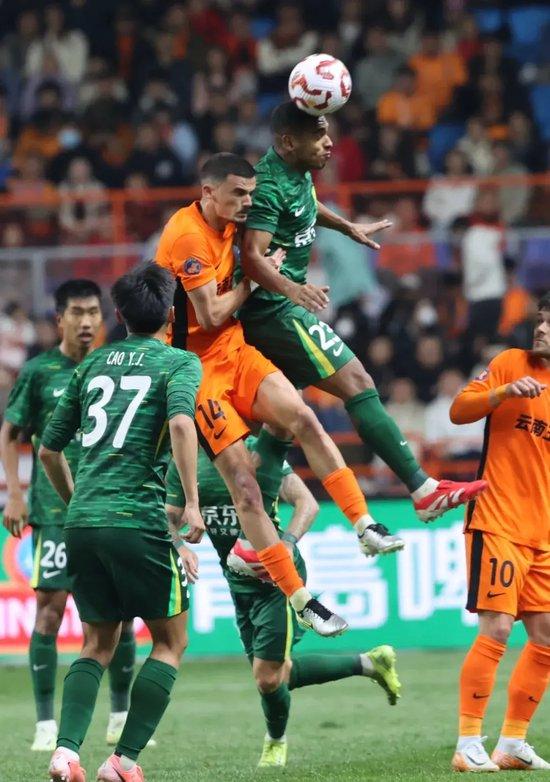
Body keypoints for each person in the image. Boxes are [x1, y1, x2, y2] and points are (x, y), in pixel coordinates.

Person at [156, 153, 405, 639]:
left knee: (303, 418)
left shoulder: (235, 221)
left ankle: (364, 525)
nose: (248, 202)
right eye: (238, 193)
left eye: (251, 193)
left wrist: (344, 227)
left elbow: (301, 204)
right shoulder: (187, 235)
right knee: (245, 486)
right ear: (208, 193)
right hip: (195, 370)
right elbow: (210, 315)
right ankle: (301, 599)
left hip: (235, 351)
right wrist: (255, 278)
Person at [239, 102, 486, 522]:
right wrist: (293, 289)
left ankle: (254, 534)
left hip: (281, 306)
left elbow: (304, 205)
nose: (329, 143)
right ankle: (422, 489)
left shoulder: (295, 170)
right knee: (357, 381)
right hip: (274, 310)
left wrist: (346, 226)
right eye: (319, 135)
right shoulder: (267, 187)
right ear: (288, 141)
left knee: (281, 422)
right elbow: (251, 256)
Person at [38, 264, 203, 782]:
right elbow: (181, 423)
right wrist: (192, 502)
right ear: (171, 314)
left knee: (96, 643)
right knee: (171, 642)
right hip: (138, 519)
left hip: (82, 523)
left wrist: (78, 503)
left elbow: (48, 450)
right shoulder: (179, 362)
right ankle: (122, 762)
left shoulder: (92, 364)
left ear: (117, 314)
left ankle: (65, 754)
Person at [165, 429, 400, 769]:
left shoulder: (252, 453)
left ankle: (275, 742)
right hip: (237, 581)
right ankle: (369, 663)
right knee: (275, 673)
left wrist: (287, 543)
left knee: (267, 677)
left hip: (279, 581)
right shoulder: (186, 462)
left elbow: (307, 502)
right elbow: (168, 516)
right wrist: (181, 546)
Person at [0, 280, 138, 752]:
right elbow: (10, 433)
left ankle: (120, 715)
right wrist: (14, 496)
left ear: (104, 318)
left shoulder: (114, 367)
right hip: (55, 513)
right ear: (59, 319)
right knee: (50, 611)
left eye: (93, 312)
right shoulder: (39, 372)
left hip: (107, 508)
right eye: (77, 312)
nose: (86, 321)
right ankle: (45, 722)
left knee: (120, 613)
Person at [449, 292, 550, 772]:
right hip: (497, 518)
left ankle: (512, 743)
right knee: (497, 626)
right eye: (541, 320)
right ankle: (468, 742)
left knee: (546, 636)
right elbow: (459, 410)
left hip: (542, 531)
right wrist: (503, 393)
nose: (542, 328)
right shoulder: (511, 362)